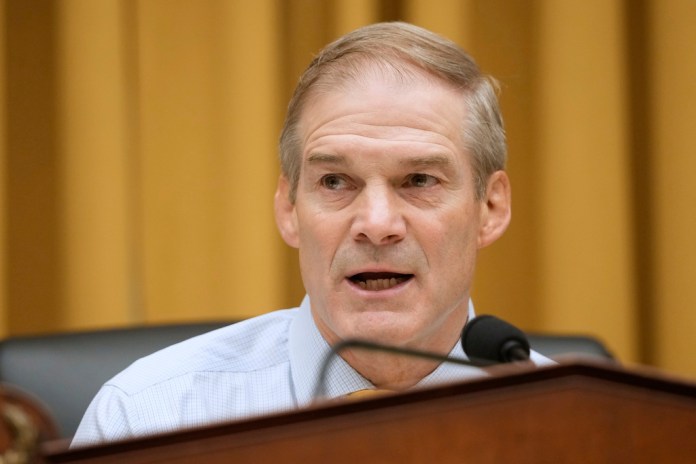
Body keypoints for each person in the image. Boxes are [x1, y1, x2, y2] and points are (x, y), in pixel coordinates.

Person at [71, 21, 550, 447]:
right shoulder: (149, 419)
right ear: (289, 208)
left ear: (490, 207)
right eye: (336, 182)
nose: (377, 225)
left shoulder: (579, 421)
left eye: (419, 180)